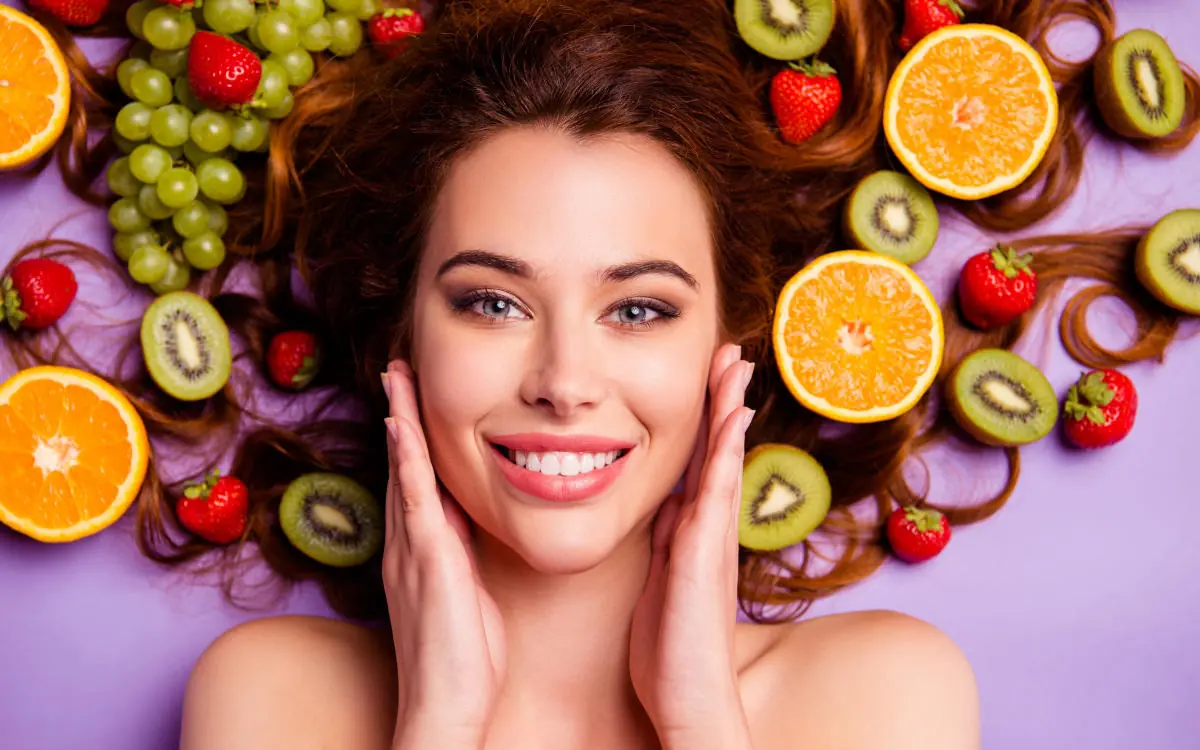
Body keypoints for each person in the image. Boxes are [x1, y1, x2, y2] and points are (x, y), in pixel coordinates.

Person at [173, 1, 983, 747]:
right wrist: (438, 722)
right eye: (492, 303)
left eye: (638, 310)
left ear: (725, 344)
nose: (564, 382)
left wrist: (701, 716)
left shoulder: (883, 695)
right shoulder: (270, 695)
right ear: (405, 334)